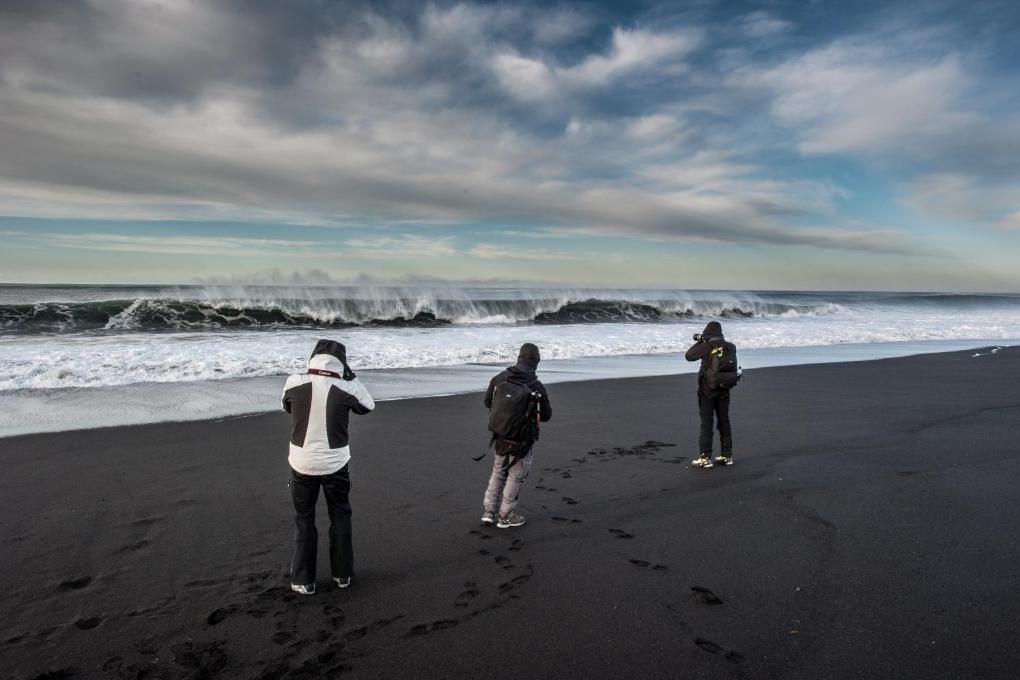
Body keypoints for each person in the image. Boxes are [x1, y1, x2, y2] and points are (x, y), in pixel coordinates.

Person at [281, 339, 374, 595]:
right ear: (341, 364)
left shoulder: (294, 382)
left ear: (312, 358)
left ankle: (303, 580)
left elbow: (286, 405)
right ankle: (342, 575)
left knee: (304, 518)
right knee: (340, 515)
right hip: (335, 463)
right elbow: (368, 405)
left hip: (302, 462)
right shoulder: (345, 388)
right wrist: (350, 376)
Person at [481, 343, 552, 529]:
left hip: (500, 435)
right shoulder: (537, 386)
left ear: (519, 357)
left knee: (498, 472)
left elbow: (488, 402)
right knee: (515, 477)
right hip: (522, 441)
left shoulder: (500, 378)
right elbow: (546, 416)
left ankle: (489, 512)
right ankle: (505, 516)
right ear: (537, 362)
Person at [685, 321, 735, 468]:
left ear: (707, 332)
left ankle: (705, 457)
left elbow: (689, 356)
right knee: (724, 421)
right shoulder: (731, 346)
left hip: (707, 390)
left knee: (707, 423)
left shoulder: (707, 346)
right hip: (724, 389)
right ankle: (727, 456)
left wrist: (701, 341)